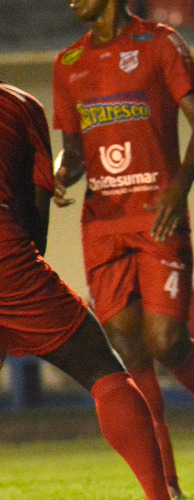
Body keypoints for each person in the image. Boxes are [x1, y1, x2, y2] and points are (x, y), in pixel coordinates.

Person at [51, 0, 194, 497]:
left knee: (166, 340)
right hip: (103, 224)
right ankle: (166, 486)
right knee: (127, 348)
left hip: (156, 215)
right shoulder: (69, 63)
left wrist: (179, 187)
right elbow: (75, 149)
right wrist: (60, 173)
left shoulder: (160, 43)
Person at [0, 80, 174, 500]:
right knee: (102, 369)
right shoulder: (17, 104)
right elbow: (36, 207)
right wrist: (21, 285)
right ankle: (160, 496)